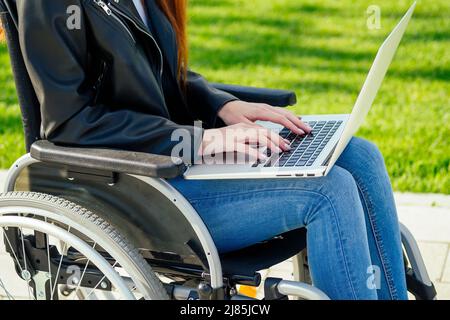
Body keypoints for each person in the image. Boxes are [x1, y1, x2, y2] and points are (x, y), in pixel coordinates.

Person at [15, 0, 407, 299]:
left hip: (179, 165)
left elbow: (159, 75)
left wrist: (221, 105)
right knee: (329, 192)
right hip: (138, 189)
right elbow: (71, 122)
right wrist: (200, 140)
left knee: (358, 155)